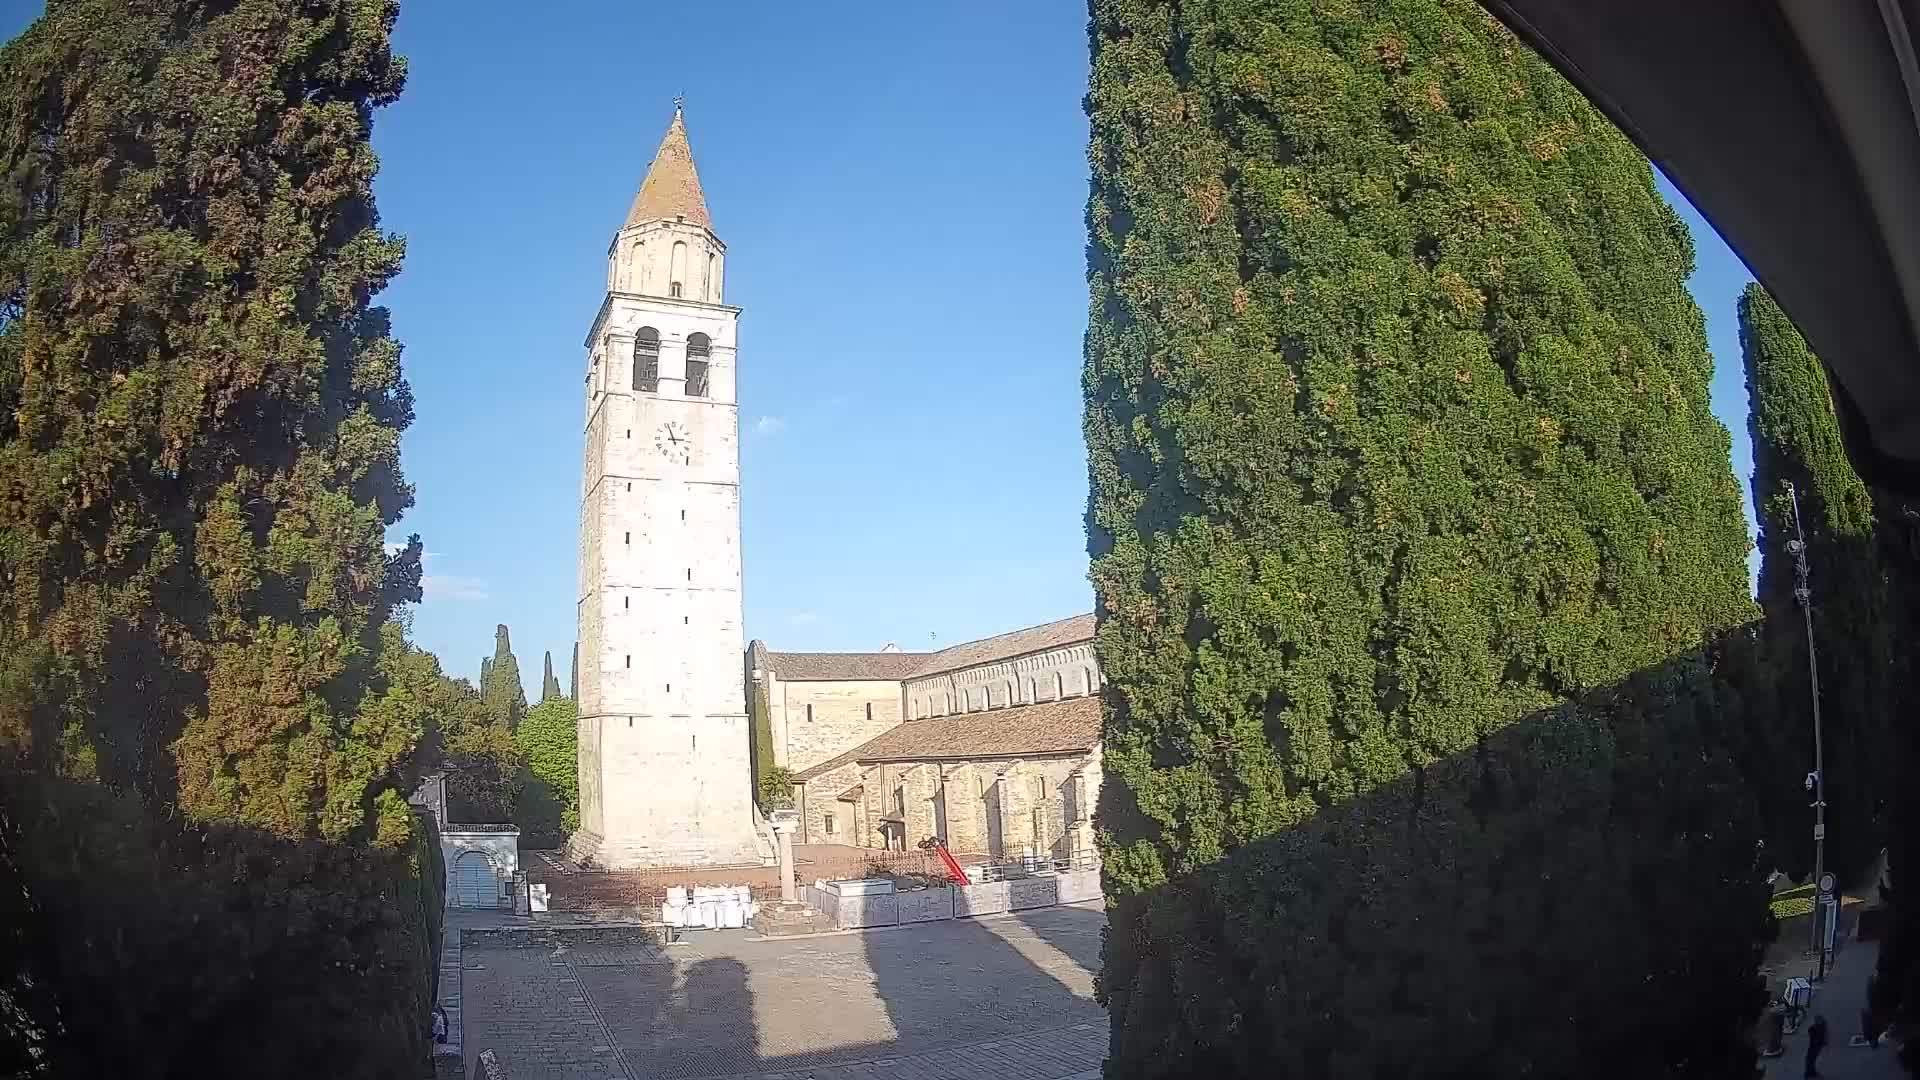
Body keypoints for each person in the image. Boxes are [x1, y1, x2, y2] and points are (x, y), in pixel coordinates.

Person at [1805, 1013, 1828, 1078]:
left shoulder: (1816, 1028)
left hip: (1815, 1046)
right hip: (1815, 1046)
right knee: (1811, 1059)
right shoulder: (1817, 1028)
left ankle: (1810, 1072)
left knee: (1810, 1059)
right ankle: (1810, 1072)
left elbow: (1821, 1036)